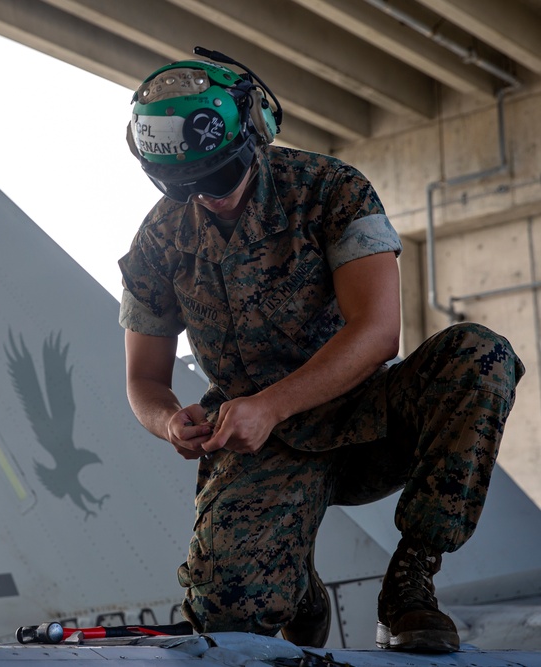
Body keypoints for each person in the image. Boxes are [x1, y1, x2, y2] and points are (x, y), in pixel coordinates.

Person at [118, 49, 524, 653]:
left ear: (256, 135)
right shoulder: (160, 238)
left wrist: (273, 404)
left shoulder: (332, 190)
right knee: (226, 618)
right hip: (260, 441)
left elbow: (377, 332)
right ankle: (298, 587)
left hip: (368, 416)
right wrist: (168, 421)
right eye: (186, 186)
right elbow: (144, 378)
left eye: (219, 177)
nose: (208, 198)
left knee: (480, 356)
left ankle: (412, 580)